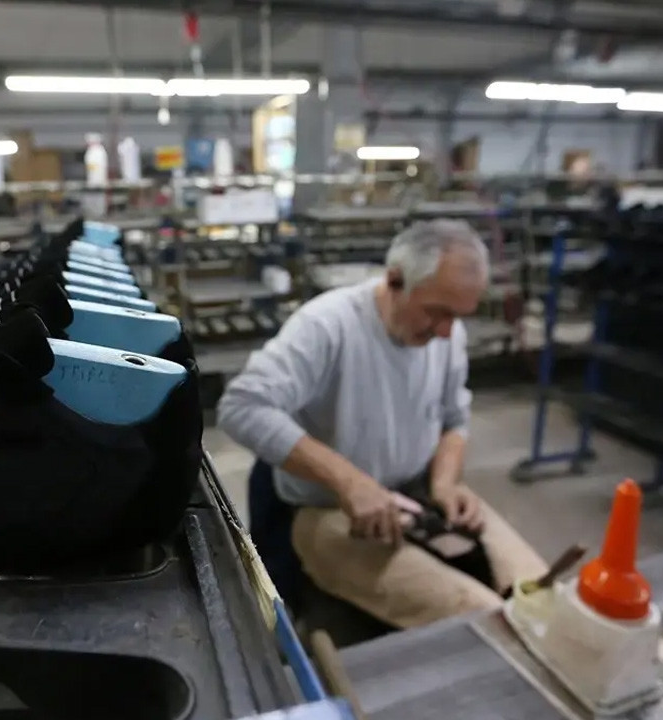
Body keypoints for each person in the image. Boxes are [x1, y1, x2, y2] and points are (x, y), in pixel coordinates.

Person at [217, 219, 548, 628]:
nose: (447, 332)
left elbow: (454, 419)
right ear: (395, 280)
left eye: (459, 316)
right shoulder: (328, 325)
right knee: (483, 621)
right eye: (438, 312)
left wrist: (445, 483)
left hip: (415, 499)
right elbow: (242, 406)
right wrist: (351, 483)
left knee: (540, 595)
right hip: (325, 508)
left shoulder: (447, 335)